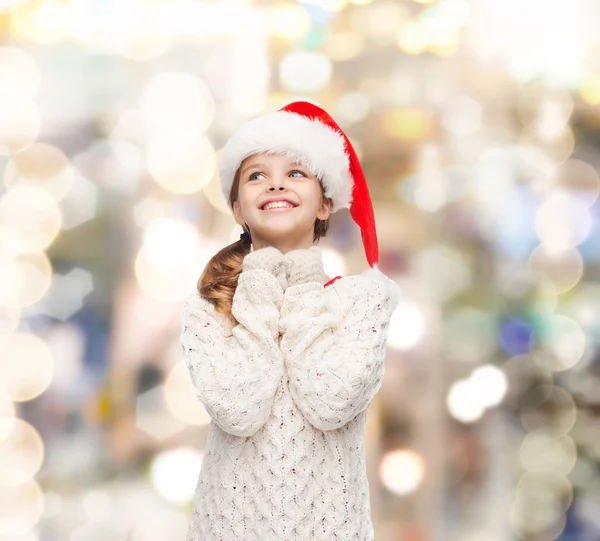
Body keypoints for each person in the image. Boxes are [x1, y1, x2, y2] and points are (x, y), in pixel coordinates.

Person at [180, 101, 400, 541]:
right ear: (238, 209)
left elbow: (330, 401)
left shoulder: (364, 300)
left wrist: (301, 282)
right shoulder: (209, 308)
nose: (275, 182)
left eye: (296, 172)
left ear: (325, 204)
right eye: (256, 174)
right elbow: (239, 409)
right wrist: (260, 282)